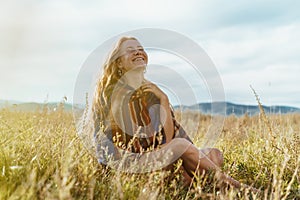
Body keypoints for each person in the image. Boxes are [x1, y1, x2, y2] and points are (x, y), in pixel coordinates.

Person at [91, 36, 257, 191]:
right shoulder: (113, 94)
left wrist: (163, 99)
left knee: (214, 154)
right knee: (181, 147)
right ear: (119, 63)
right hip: (127, 166)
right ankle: (239, 189)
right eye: (130, 50)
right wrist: (170, 151)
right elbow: (127, 145)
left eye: (140, 48)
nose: (137, 51)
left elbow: (166, 138)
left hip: (155, 159)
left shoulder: (150, 93)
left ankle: (184, 183)